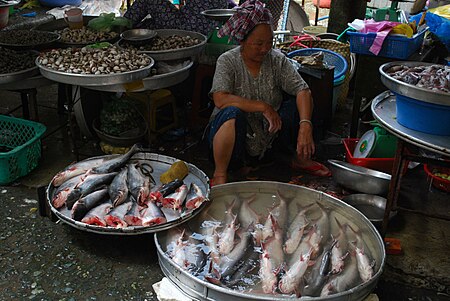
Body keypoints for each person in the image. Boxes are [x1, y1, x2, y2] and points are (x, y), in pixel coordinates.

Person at [207, 0, 331, 186]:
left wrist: (306, 125)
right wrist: (263, 107)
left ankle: (298, 158)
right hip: (233, 141)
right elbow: (220, 99)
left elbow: (302, 90)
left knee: (299, 101)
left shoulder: (276, 60)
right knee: (232, 113)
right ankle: (221, 173)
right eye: (258, 43)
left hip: (267, 138)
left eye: (269, 42)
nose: (265, 48)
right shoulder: (227, 61)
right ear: (243, 41)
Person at [123, 0, 231, 36]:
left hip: (190, 26)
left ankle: (120, 27)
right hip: (204, 24)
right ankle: (123, 30)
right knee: (148, 24)